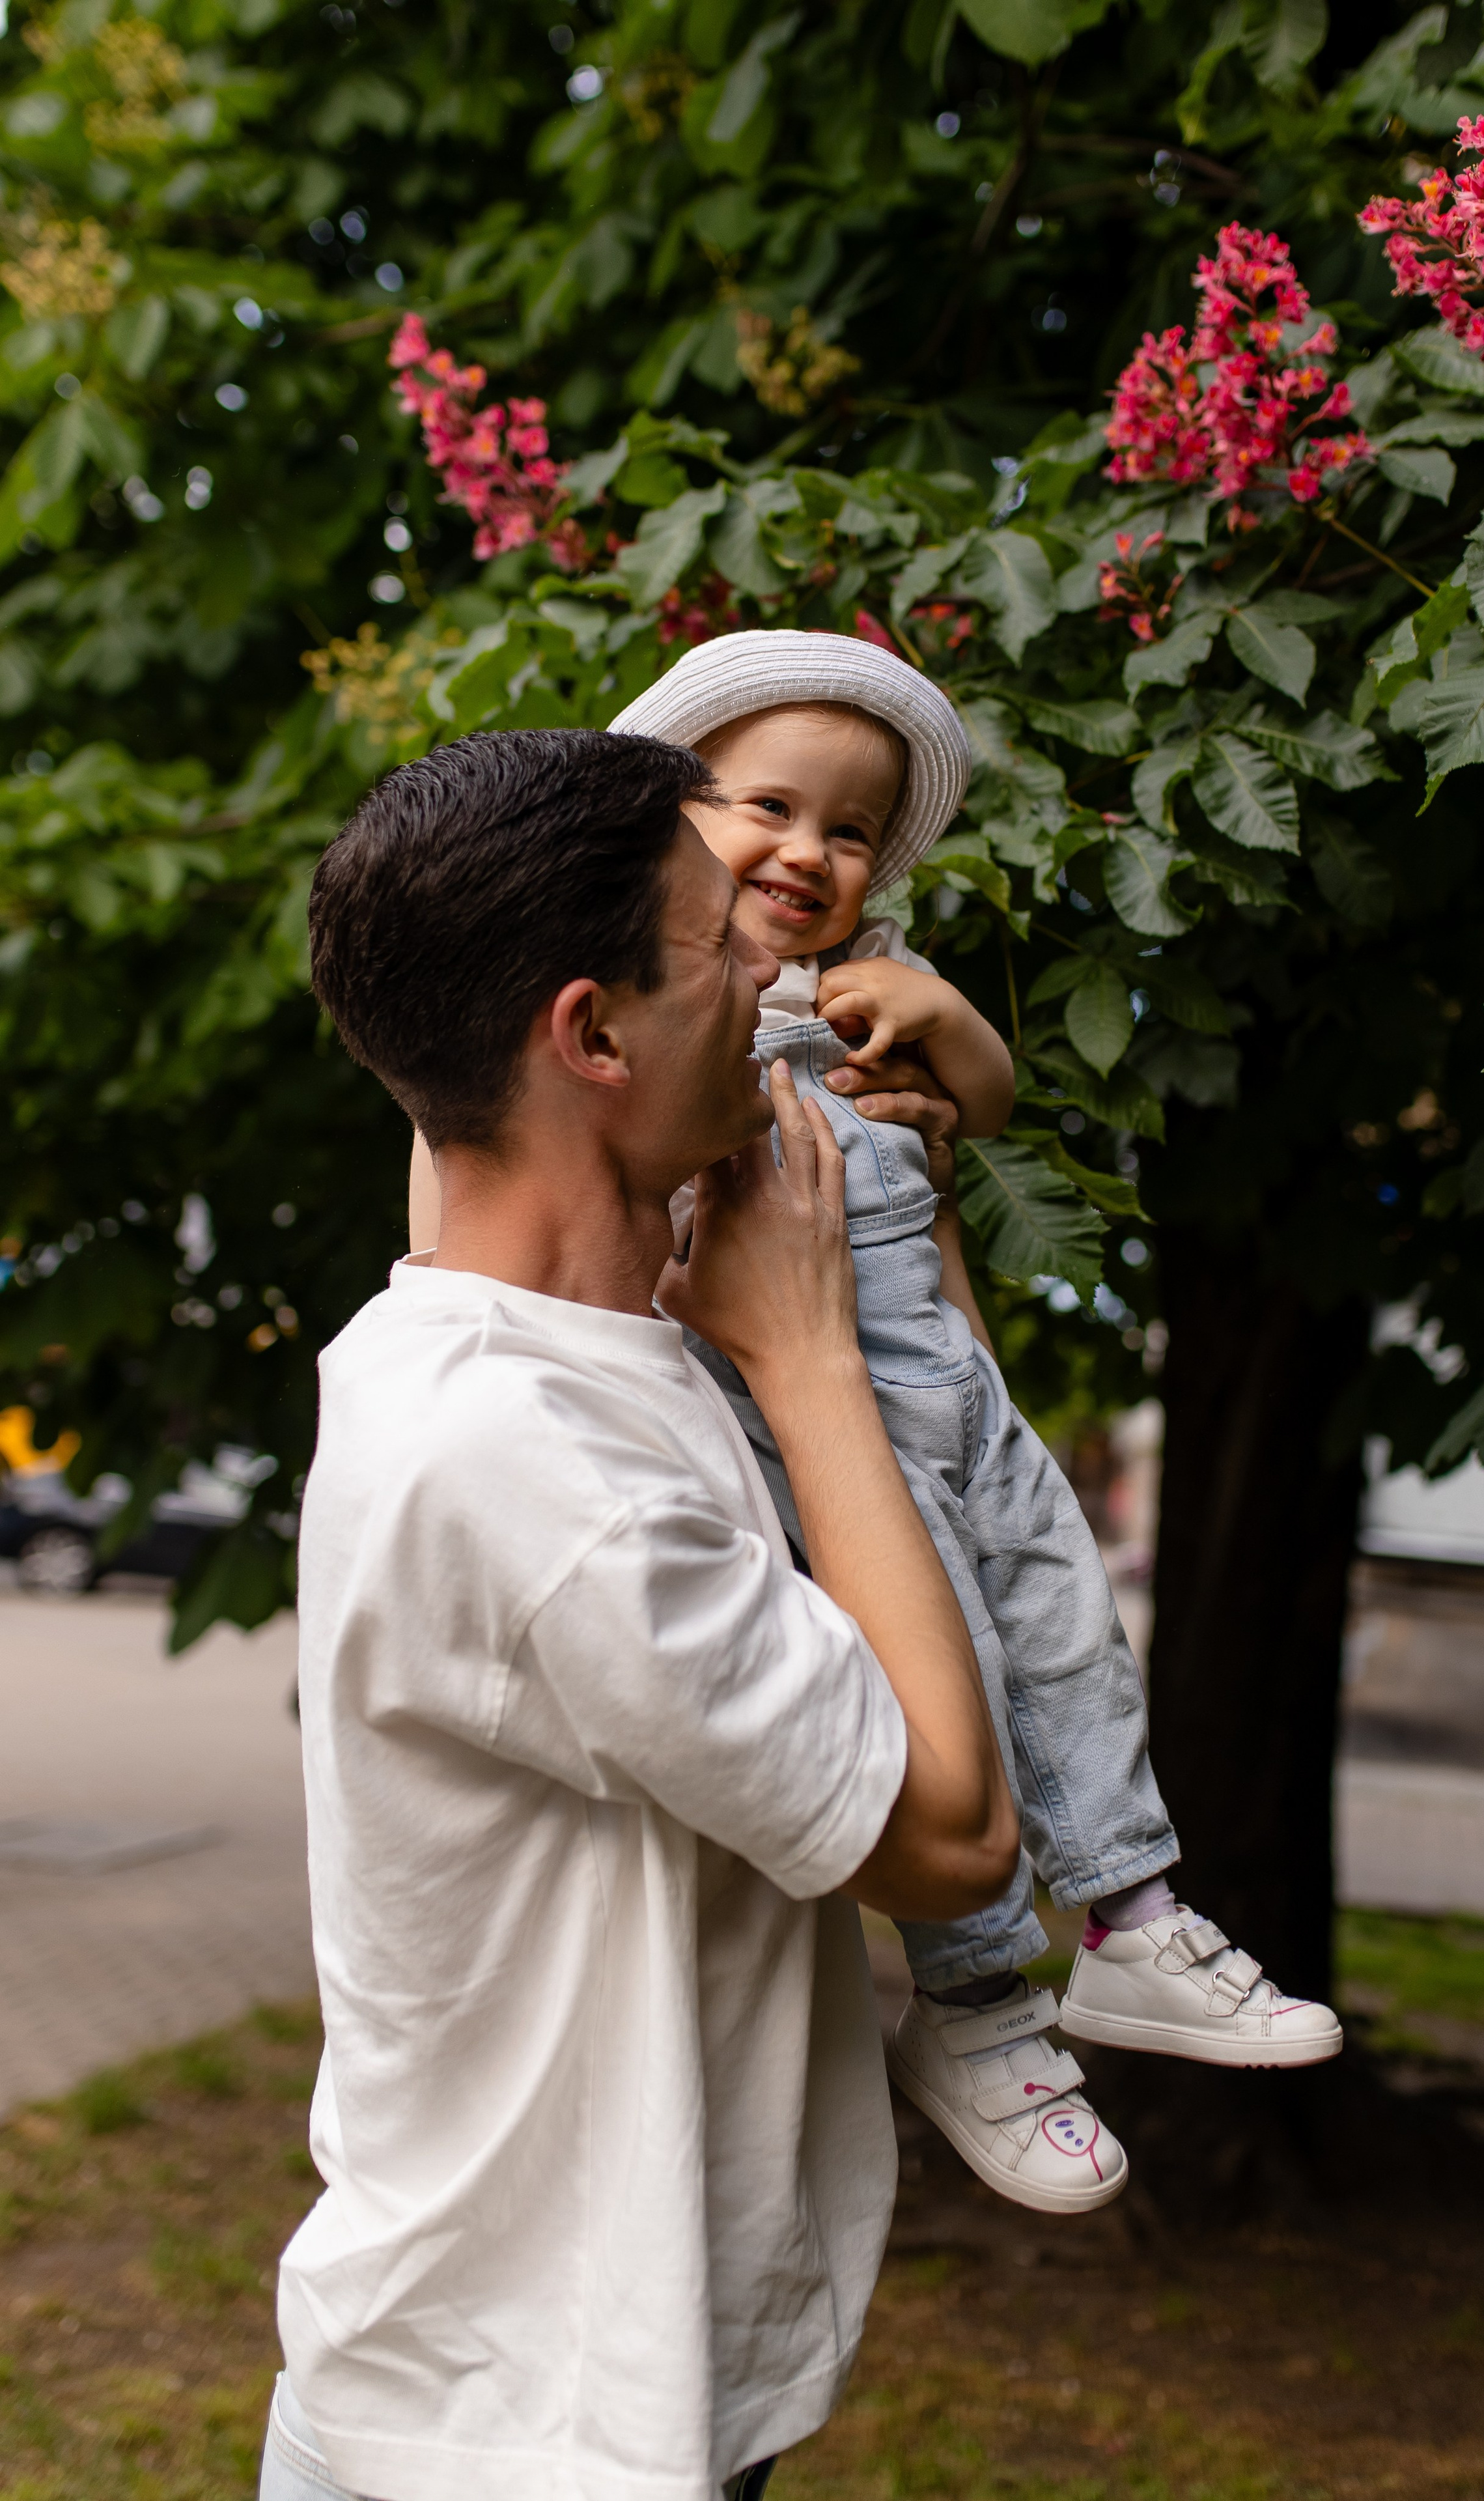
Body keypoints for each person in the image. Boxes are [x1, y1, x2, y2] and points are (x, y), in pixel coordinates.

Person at [268, 726, 1020, 2501]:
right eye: (719, 948)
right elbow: (950, 1838)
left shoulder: (569, 1344)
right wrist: (816, 1354)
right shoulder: (528, 1462)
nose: (779, 961)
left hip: (581, 2388)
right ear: (591, 1035)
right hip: (524, 2433)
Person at [612, 636, 1342, 2210]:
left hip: (958, 1388)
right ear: (670, 818)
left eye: (853, 829)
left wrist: (942, 1017)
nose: (810, 851)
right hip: (828, 1428)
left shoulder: (864, 991)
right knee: (938, 1698)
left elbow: (984, 1111)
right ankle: (978, 2012)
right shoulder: (658, 1006)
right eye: (767, 809)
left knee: (1072, 1633)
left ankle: (1138, 1920)